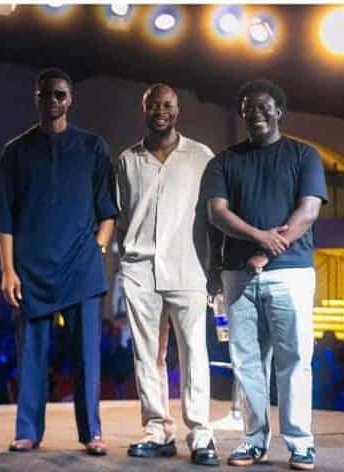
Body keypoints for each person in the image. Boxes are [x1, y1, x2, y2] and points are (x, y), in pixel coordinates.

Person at [0, 68, 117, 456]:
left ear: (70, 99)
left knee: (87, 356)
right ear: (36, 98)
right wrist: (8, 270)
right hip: (31, 269)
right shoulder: (16, 150)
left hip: (81, 267)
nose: (52, 101)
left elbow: (108, 210)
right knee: (30, 358)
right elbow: (3, 217)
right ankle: (27, 431)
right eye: (45, 95)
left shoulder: (93, 147)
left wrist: (97, 248)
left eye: (59, 94)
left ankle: (91, 432)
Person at [202, 78, 327, 470]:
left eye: (262, 106)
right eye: (247, 108)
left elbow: (308, 211)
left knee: (294, 360)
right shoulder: (224, 161)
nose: (254, 113)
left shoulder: (303, 155)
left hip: (290, 273)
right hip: (237, 275)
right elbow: (217, 213)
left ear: (278, 111)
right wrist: (259, 238)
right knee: (246, 363)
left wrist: (271, 249)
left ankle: (300, 443)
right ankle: (254, 441)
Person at [115, 83, 219, 466]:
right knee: (147, 355)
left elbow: (212, 217)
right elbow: (122, 217)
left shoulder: (201, 157)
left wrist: (214, 268)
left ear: (177, 110)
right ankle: (157, 431)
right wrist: (126, 261)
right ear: (144, 109)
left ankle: (201, 434)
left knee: (194, 352)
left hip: (188, 267)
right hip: (140, 269)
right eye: (154, 105)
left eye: (167, 105)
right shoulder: (127, 160)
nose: (161, 111)